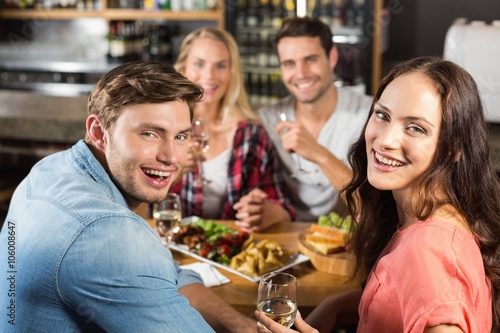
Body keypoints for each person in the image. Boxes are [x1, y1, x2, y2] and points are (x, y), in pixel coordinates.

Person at [0, 61, 257, 332]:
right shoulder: (106, 232)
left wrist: (237, 324)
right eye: (149, 133)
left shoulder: (51, 169)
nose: (171, 157)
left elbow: (159, 275)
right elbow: (121, 255)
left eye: (181, 136)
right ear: (99, 133)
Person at [255, 57, 500, 332]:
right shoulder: (424, 217)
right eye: (382, 115)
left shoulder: (429, 251)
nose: (385, 139)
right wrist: (336, 306)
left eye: (415, 128)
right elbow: (399, 297)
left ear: (454, 148)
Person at [173, 27, 295, 232]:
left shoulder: (252, 136)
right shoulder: (166, 129)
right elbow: (139, 202)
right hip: (173, 248)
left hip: (232, 250)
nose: (209, 76)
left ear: (232, 72)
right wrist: (171, 175)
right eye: (199, 64)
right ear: (183, 67)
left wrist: (266, 211)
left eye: (220, 66)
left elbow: (283, 209)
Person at [258, 16, 373, 222]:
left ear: (332, 57)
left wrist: (319, 153)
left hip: (345, 241)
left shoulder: (368, 115)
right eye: (289, 63)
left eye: (310, 59)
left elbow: (369, 209)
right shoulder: (267, 119)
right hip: (288, 236)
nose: (300, 73)